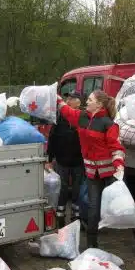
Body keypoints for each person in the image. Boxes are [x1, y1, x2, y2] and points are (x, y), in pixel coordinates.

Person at [57, 90, 135, 255]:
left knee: (124, 207)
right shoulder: (82, 118)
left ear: (99, 104)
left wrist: (119, 165)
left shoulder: (108, 124)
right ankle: (92, 246)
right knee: (93, 208)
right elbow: (67, 111)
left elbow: (116, 147)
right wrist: (56, 99)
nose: (87, 102)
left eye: (90, 100)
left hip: (111, 174)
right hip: (92, 174)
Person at [46, 91, 85, 228]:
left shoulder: (83, 117)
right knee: (61, 189)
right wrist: (49, 159)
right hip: (61, 161)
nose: (68, 100)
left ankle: (76, 217)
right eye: (67, 98)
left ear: (79, 102)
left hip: (79, 162)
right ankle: (60, 217)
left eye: (72, 98)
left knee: (77, 190)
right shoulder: (59, 117)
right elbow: (52, 139)